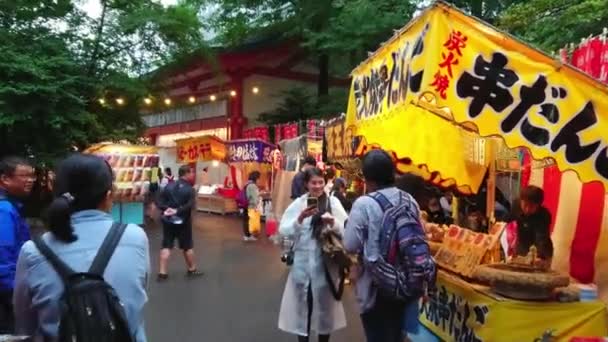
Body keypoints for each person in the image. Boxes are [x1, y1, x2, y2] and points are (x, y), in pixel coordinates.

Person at [13, 154, 149, 341]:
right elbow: (138, 296)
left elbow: (24, 323)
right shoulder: (136, 237)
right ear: (109, 195)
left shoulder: (32, 251)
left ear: (54, 190)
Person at [344, 150, 421, 342]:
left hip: (376, 286)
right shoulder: (409, 200)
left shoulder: (364, 204)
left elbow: (350, 244)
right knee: (396, 335)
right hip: (405, 283)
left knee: (377, 335)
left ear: (367, 178)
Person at [278, 168, 349, 342]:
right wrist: (300, 219)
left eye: (320, 182)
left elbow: (347, 232)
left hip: (325, 267)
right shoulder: (299, 204)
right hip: (302, 269)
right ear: (306, 184)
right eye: (313, 182)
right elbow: (284, 231)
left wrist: (332, 223)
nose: (317, 186)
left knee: (325, 311)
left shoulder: (333, 203)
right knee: (303, 309)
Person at [0, 157, 34, 334]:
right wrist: (14, 296)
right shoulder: (4, 209)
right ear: (5, 179)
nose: (30, 180)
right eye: (24, 176)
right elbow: (3, 255)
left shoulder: (11, 206)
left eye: (32, 176)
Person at [156, 164, 203, 281]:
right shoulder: (190, 190)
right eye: (192, 172)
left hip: (168, 221)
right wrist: (177, 210)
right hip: (183, 222)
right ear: (186, 174)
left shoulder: (169, 186)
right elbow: (190, 205)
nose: (193, 175)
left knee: (166, 245)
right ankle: (192, 269)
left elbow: (159, 201)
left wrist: (166, 209)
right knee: (187, 246)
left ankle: (162, 273)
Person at [516, 185, 553, 265]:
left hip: (542, 251)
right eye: (525, 205)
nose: (527, 209)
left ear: (538, 205)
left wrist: (539, 256)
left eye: (532, 206)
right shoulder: (517, 208)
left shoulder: (544, 215)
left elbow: (541, 238)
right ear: (521, 201)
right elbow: (520, 237)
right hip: (524, 247)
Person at [243, 171, 261, 242]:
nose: (259, 180)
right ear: (256, 178)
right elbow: (254, 197)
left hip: (245, 204)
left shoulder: (247, 184)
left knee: (246, 220)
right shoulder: (253, 186)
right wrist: (256, 205)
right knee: (251, 221)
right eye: (259, 178)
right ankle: (250, 235)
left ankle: (246, 235)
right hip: (250, 206)